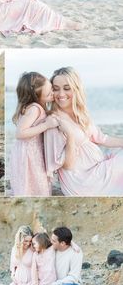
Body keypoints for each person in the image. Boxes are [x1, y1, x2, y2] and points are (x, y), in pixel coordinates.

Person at [44, 67, 123, 196]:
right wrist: (70, 136)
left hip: (96, 168)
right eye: (56, 89)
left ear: (76, 89)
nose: (61, 94)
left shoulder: (80, 113)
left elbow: (102, 138)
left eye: (66, 88)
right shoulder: (54, 120)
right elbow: (67, 165)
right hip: (82, 181)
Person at [9, 72, 59, 196]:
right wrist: (46, 125)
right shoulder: (34, 109)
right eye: (48, 94)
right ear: (36, 97)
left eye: (52, 89)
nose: (53, 94)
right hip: (28, 152)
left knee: (35, 179)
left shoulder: (36, 107)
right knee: (31, 180)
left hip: (31, 150)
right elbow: (20, 133)